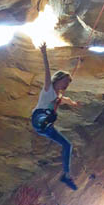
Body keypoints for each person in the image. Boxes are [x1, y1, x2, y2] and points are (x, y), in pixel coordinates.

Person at [31, 42, 79, 190]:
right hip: (38, 119)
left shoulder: (58, 97)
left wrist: (73, 103)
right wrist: (44, 53)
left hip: (46, 128)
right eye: (65, 82)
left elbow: (66, 100)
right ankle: (46, 121)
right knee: (49, 115)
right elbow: (47, 72)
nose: (66, 85)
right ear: (58, 80)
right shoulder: (48, 89)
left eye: (67, 84)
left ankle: (66, 174)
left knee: (67, 145)